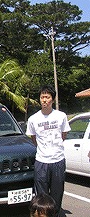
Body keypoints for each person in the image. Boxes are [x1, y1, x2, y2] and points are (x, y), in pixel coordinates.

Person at [26, 85, 71, 217]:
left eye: (47, 97)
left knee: (57, 195)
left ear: (52, 99)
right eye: (42, 97)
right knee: (41, 197)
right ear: (39, 99)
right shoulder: (33, 119)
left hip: (58, 161)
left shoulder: (61, 116)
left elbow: (63, 135)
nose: (44, 100)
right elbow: (34, 139)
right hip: (41, 162)